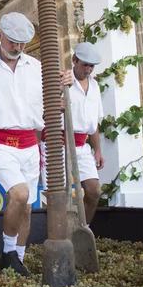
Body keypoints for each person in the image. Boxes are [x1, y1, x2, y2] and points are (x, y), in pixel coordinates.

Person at [0, 12, 71, 276]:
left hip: (29, 144)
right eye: (13, 42)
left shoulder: (37, 67)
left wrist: (63, 87)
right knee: (19, 194)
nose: (18, 48)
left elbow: (53, 104)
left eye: (22, 43)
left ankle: (16, 261)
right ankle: (8, 252)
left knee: (28, 206)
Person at [40, 42, 104, 224]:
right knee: (56, 195)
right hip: (57, 141)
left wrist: (97, 150)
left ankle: (83, 230)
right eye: (85, 64)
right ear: (74, 60)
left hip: (82, 146)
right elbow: (42, 114)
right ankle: (56, 234)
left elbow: (94, 123)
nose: (89, 69)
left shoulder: (95, 86)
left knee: (93, 191)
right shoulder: (60, 82)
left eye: (92, 66)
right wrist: (55, 102)